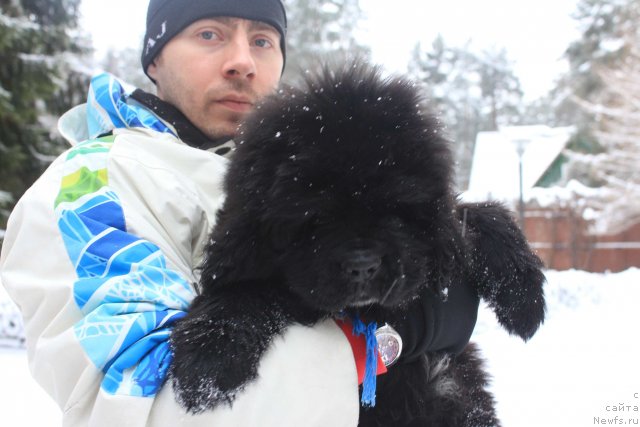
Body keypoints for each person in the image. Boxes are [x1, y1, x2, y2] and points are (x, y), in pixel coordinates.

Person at [0, 0, 480, 426]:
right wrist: (386, 340)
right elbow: (152, 408)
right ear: (155, 55)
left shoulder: (295, 168)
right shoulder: (91, 185)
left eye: (262, 40)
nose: (242, 62)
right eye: (209, 33)